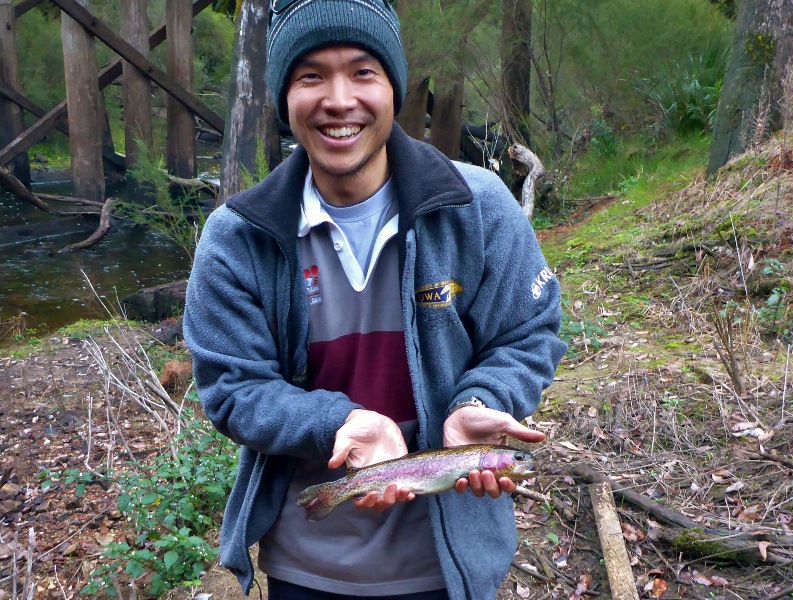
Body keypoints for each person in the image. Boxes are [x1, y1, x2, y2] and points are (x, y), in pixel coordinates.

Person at [183, 0, 566, 598]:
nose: (339, 100)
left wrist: (483, 399)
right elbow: (232, 389)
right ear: (285, 97)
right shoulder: (239, 237)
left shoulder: (479, 205)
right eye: (311, 76)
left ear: (394, 87)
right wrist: (339, 423)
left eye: (363, 72)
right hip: (305, 570)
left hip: (450, 568)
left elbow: (530, 329)